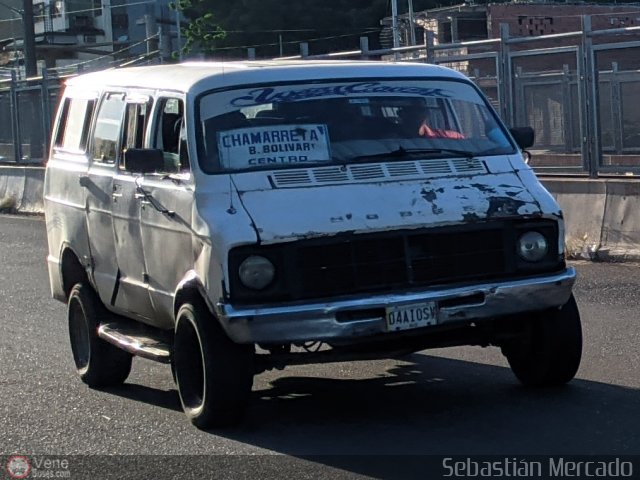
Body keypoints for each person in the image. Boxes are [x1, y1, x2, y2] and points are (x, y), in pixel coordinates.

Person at [400, 104, 465, 139]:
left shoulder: (449, 137)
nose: (416, 113)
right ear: (401, 113)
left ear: (427, 113)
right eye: (410, 110)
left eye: (420, 109)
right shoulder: (391, 141)